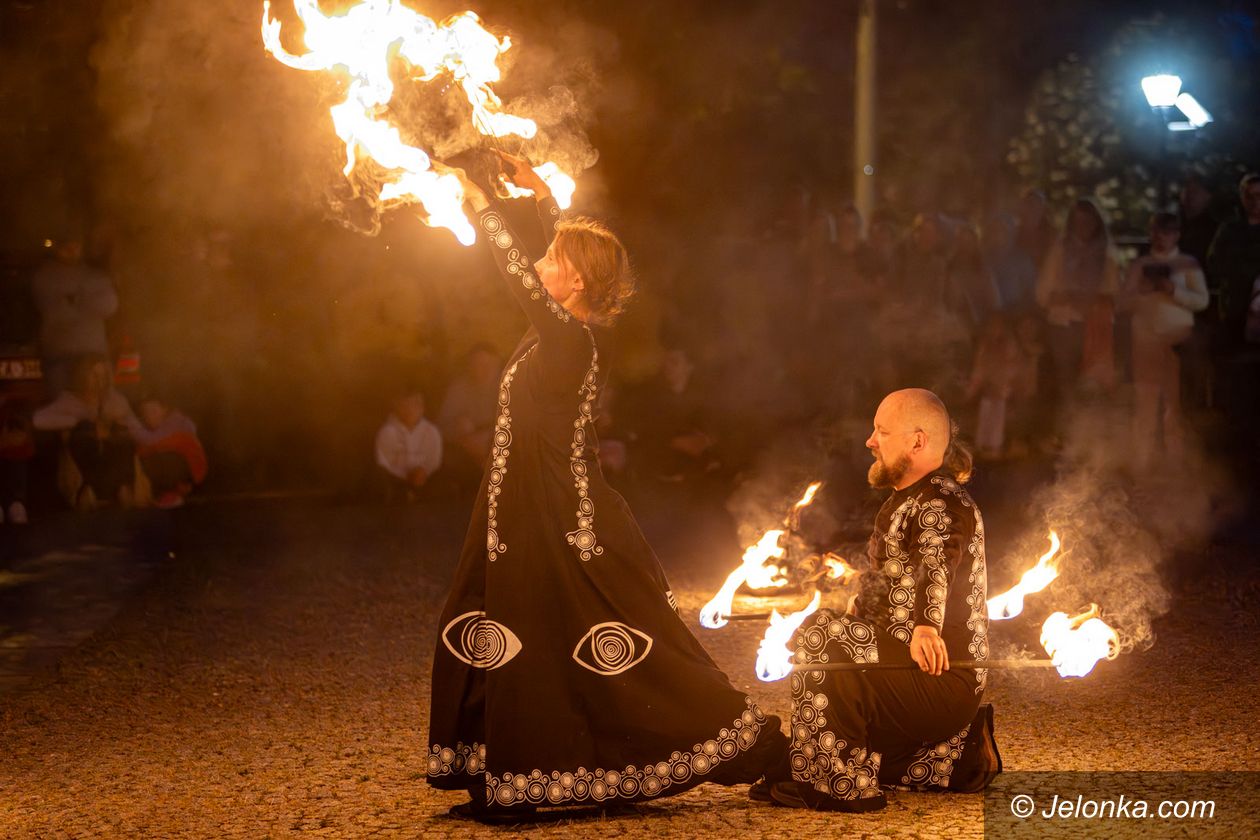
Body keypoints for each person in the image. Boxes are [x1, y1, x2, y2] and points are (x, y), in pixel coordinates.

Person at [427, 154, 787, 820]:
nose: (542, 262)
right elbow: (534, 274)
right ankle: (502, 772)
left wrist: (482, 200)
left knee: (617, 642)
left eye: (556, 257)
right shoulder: (551, 338)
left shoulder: (570, 343)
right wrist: (536, 202)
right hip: (522, 515)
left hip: (565, 518)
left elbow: (520, 278)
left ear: (576, 280)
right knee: (510, 628)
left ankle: (762, 749)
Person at [764, 389, 992, 812]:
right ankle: (953, 759)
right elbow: (886, 581)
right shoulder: (903, 501)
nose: (871, 441)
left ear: (917, 442)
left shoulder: (940, 501)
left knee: (820, 633)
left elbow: (936, 561)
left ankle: (840, 783)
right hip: (900, 668)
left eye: (882, 432)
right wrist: (858, 613)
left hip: (940, 677)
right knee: (827, 631)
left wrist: (926, 624)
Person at [1119, 213, 1209, 471]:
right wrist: (1142, 292)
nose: (1161, 237)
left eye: (1167, 232)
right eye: (1157, 231)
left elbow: (1202, 301)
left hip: (1177, 342)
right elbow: (1122, 303)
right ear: (1151, 233)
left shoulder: (1187, 264)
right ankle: (1141, 464)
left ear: (1176, 235)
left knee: (1175, 405)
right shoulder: (1140, 265)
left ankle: (1175, 464)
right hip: (1145, 343)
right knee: (1145, 404)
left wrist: (1174, 290)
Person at [1036, 198, 1122, 397]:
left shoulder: (1107, 254)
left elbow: (1115, 292)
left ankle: (1091, 423)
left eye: (1088, 221)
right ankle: (1069, 422)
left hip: (1095, 325)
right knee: (1066, 378)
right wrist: (1058, 299)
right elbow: (1043, 290)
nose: (1083, 226)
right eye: (1078, 221)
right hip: (1064, 322)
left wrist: (1092, 301)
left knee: (1092, 382)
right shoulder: (1060, 250)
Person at [32, 354, 140, 509]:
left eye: (103, 376)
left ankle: (121, 490)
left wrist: (115, 422)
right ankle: (88, 491)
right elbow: (38, 420)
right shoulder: (70, 400)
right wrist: (78, 420)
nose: (99, 381)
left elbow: (136, 427)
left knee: (121, 436)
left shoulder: (114, 399)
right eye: (94, 375)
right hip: (86, 465)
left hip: (113, 460)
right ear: (82, 376)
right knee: (85, 430)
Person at [31, 230, 118, 398]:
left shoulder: (96, 276)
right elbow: (53, 309)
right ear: (58, 249)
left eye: (76, 246)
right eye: (67, 247)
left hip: (93, 354)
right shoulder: (44, 277)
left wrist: (76, 300)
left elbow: (109, 306)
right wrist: (86, 300)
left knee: (100, 403)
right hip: (59, 355)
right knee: (61, 404)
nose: (72, 251)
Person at [132, 395, 208, 508]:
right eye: (146, 412)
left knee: (161, 455)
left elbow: (152, 442)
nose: (149, 415)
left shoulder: (175, 422)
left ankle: (175, 491)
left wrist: (132, 428)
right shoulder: (152, 430)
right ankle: (163, 493)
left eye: (153, 411)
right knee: (148, 456)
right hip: (178, 473)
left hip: (192, 471)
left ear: (164, 410)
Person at [375, 391, 442, 502]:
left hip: (426, 481)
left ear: (422, 408)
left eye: (416, 405)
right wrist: (406, 476)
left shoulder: (431, 432)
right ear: (398, 407)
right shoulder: (387, 432)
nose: (411, 410)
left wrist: (424, 471)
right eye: (406, 405)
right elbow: (384, 464)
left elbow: (434, 460)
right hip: (396, 484)